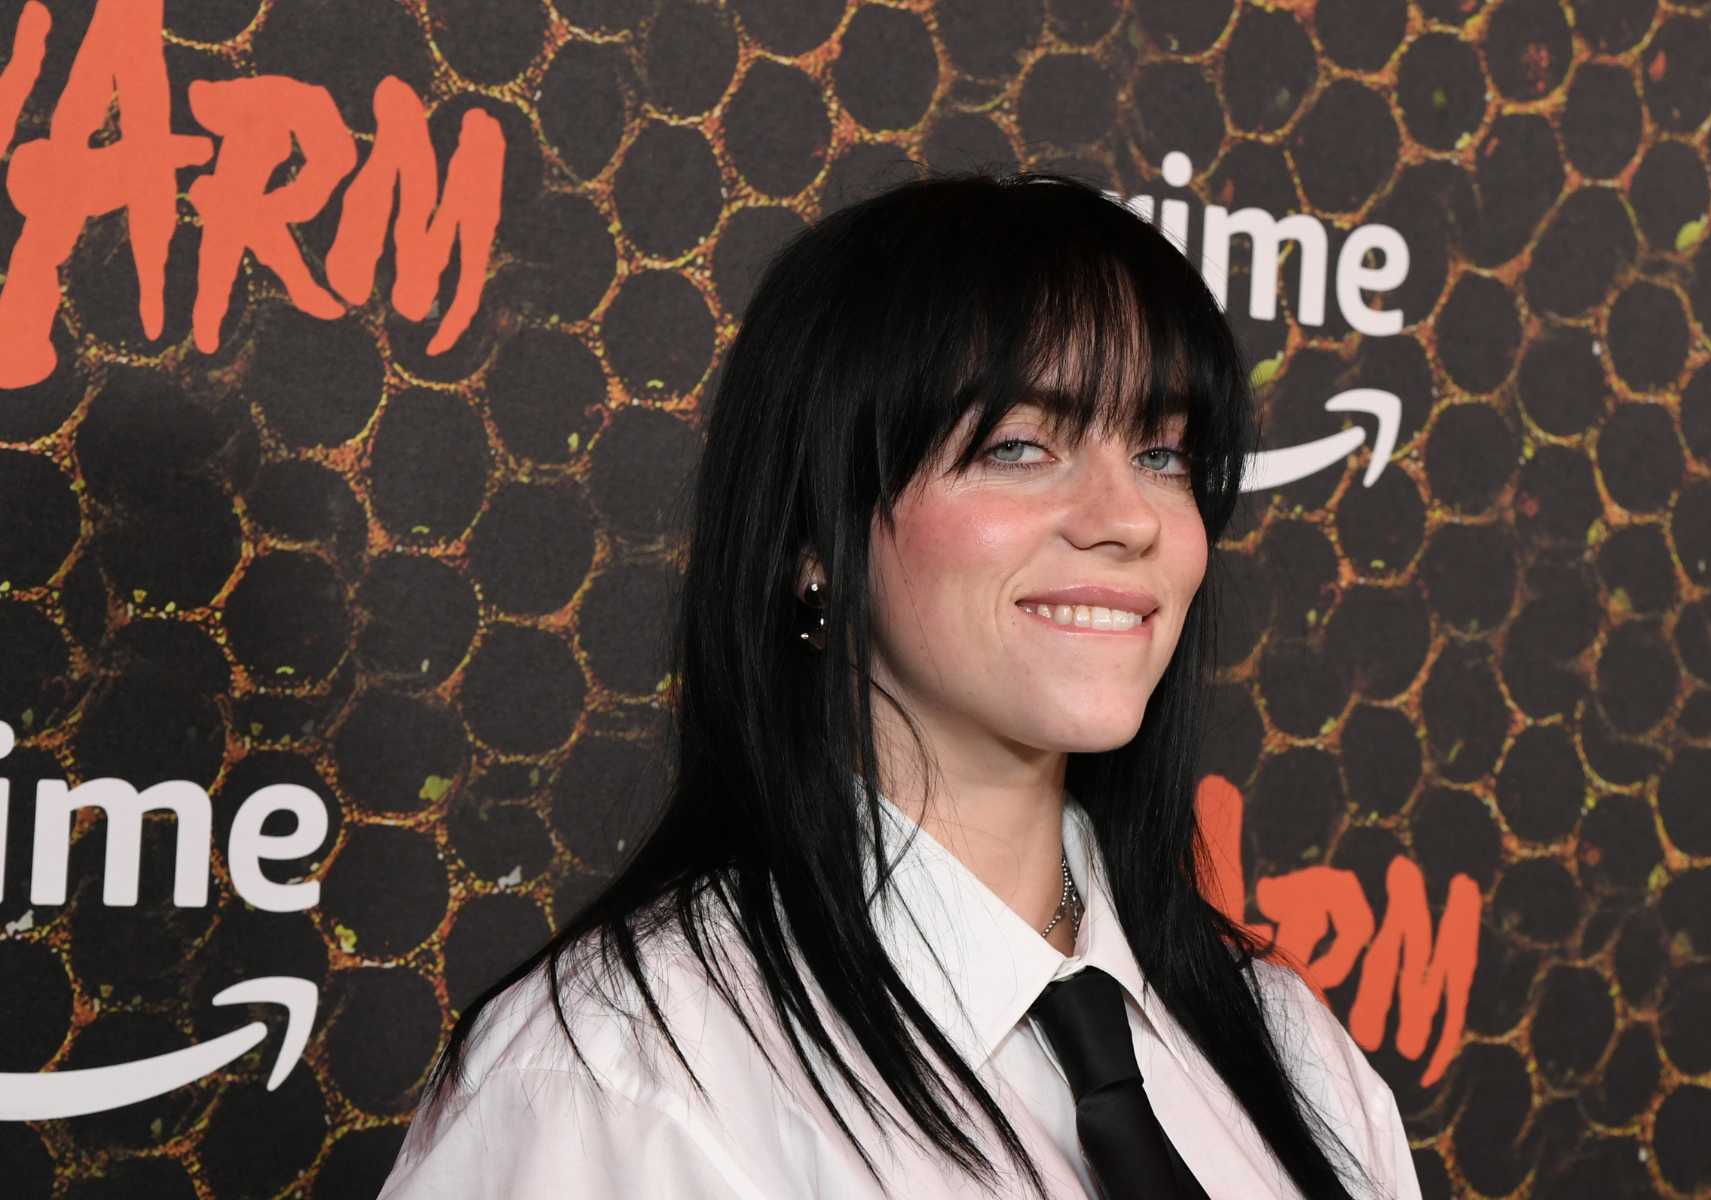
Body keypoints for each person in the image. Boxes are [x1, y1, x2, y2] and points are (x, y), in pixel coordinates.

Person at [376, 169, 1419, 1199]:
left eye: (1162, 454)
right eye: (1019, 446)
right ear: (815, 541)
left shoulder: (1295, 1057)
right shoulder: (622, 1080)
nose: (1128, 519)